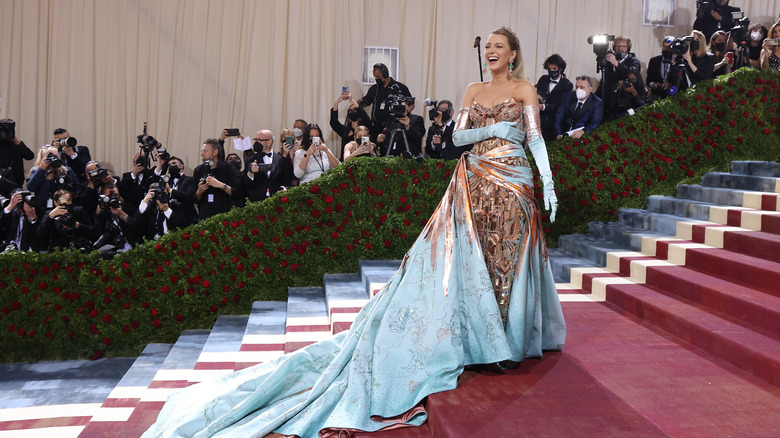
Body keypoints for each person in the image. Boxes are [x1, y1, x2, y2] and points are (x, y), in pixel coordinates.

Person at [143, 26, 565, 438]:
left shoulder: (526, 90)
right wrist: (491, 130)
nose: (491, 51)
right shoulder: (473, 89)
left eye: (499, 46)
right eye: (487, 45)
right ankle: (483, 341)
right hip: (473, 180)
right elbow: (456, 136)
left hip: (514, 180)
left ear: (513, 54)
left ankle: (508, 343)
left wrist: (546, 181)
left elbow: (535, 139)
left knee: (510, 257)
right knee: (475, 261)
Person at [358, 63, 414, 140]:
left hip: (394, 126)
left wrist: (403, 115)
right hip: (376, 127)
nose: (376, 79)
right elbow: (367, 101)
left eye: (378, 77)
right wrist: (360, 103)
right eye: (375, 77)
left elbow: (412, 104)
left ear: (385, 74)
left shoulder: (399, 87)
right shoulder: (374, 89)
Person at [193, 138, 242, 220]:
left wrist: (221, 185)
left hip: (226, 216)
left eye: (205, 151)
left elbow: (238, 193)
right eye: (201, 151)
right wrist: (199, 192)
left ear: (215, 152)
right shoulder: (199, 170)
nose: (202, 154)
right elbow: (194, 199)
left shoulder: (229, 168)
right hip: (205, 216)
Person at [596, 36, 641, 120]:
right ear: (614, 47)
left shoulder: (634, 61)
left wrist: (617, 64)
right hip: (608, 102)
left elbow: (632, 75)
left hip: (625, 103)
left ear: (629, 48)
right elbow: (604, 82)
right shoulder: (608, 61)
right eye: (618, 46)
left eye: (623, 47)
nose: (621, 49)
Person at [242, 129, 292, 202]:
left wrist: (285, 189)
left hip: (276, 201)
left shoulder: (281, 160)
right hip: (256, 202)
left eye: (259, 140)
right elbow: (245, 185)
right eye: (256, 140)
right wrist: (251, 173)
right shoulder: (251, 160)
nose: (256, 143)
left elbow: (288, 182)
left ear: (269, 142)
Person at [535, 54, 573, 142]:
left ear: (560, 69)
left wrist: (543, 107)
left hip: (554, 124)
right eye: (549, 69)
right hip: (539, 122)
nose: (551, 71)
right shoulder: (543, 79)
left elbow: (561, 105)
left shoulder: (567, 85)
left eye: (554, 69)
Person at [554, 75, 603, 139]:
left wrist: (583, 131)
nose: (578, 90)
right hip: (563, 134)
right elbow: (559, 116)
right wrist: (558, 134)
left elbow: (595, 123)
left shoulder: (596, 102)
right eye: (577, 87)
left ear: (590, 89)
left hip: (581, 136)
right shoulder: (568, 96)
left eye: (582, 87)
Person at [330, 88, 371, 160]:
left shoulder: (365, 128)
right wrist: (337, 102)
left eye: (355, 110)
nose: (352, 112)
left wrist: (351, 100)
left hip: (363, 162)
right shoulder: (345, 130)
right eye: (350, 110)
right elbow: (334, 122)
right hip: (346, 162)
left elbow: (364, 116)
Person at [0, 119, 35, 194]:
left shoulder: (16, 144)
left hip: (16, 183)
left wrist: (16, 141)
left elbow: (29, 156)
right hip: (1, 182)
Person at [165, 156, 198, 228]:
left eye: (174, 163)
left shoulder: (190, 180)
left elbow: (188, 196)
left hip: (186, 219)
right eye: (169, 165)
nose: (171, 166)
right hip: (170, 219)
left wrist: (171, 191)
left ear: (182, 166)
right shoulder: (167, 182)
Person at [646, 37, 675, 101]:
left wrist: (670, 85)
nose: (666, 49)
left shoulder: (677, 62)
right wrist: (654, 84)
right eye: (664, 47)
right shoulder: (654, 61)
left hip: (672, 95)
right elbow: (648, 80)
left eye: (669, 47)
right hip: (656, 95)